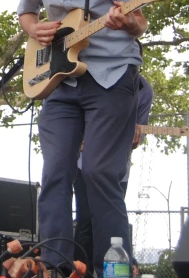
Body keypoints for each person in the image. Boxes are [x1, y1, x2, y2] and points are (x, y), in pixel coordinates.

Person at [17, 0, 147, 277]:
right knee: (56, 171)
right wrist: (33, 29)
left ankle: (114, 269)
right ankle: (57, 267)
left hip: (112, 76)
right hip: (60, 79)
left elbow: (141, 23)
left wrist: (127, 23)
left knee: (98, 171)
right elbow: (27, 11)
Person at [74, 72, 154, 273]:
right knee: (85, 219)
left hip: (116, 166)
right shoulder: (96, 77)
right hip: (84, 164)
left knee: (110, 219)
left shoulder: (144, 90)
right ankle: (80, 270)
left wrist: (137, 135)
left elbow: (138, 137)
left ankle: (114, 271)